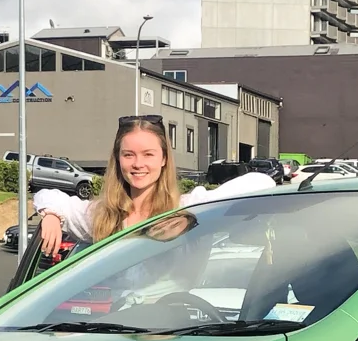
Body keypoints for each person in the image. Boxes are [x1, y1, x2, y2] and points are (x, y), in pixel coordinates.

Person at [26, 115, 276, 276]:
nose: (138, 164)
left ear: (164, 159)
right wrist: (51, 215)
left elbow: (261, 181)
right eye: (128, 155)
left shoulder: (188, 209)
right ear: (118, 160)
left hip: (174, 330)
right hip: (109, 332)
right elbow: (48, 195)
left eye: (148, 154)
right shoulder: (102, 216)